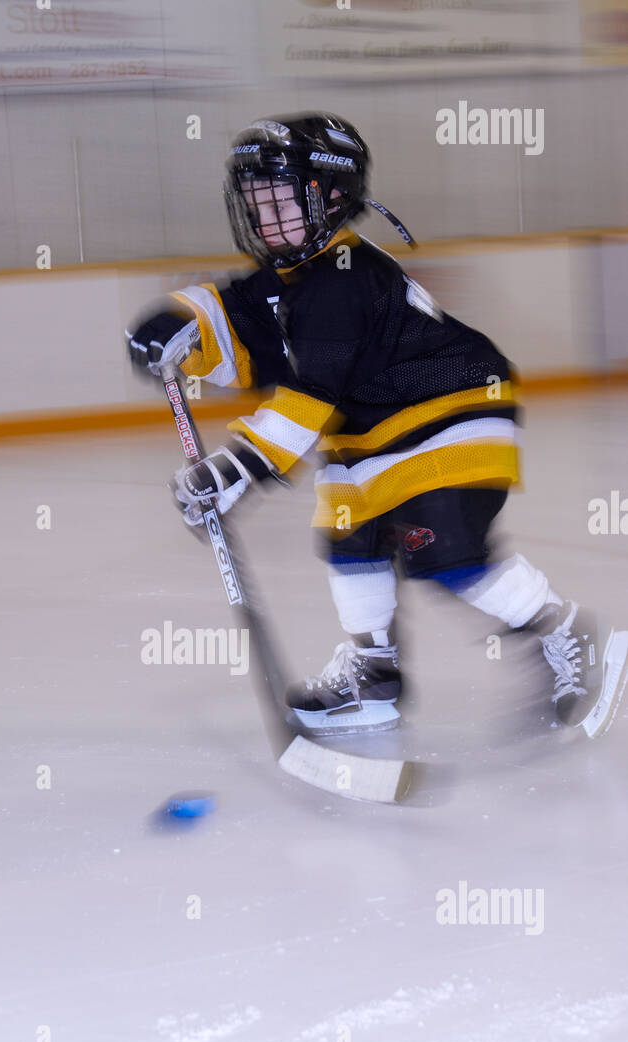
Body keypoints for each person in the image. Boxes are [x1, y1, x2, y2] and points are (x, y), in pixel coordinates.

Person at [126, 112, 627, 740]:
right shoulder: (290, 279)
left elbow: (310, 393)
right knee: (349, 541)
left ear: (332, 198)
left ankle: (564, 628)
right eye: (256, 200)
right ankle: (374, 674)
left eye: (280, 198)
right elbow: (237, 321)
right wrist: (180, 325)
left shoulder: (343, 277)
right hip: (364, 436)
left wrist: (233, 471)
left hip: (452, 410)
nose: (265, 215)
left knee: (441, 547)